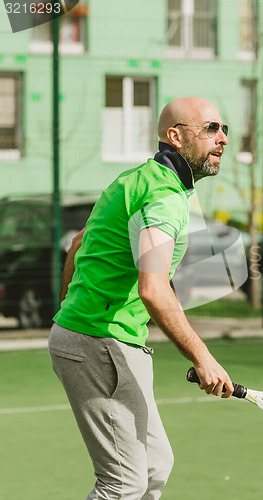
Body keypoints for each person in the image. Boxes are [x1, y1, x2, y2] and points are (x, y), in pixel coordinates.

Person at [48, 96, 234, 500]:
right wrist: (204, 358)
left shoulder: (134, 180)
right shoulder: (164, 196)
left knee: (153, 467)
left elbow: (78, 245)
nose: (222, 139)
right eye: (210, 129)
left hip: (98, 338)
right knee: (123, 484)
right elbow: (153, 288)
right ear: (176, 136)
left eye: (224, 130)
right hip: (100, 342)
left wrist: (66, 311)